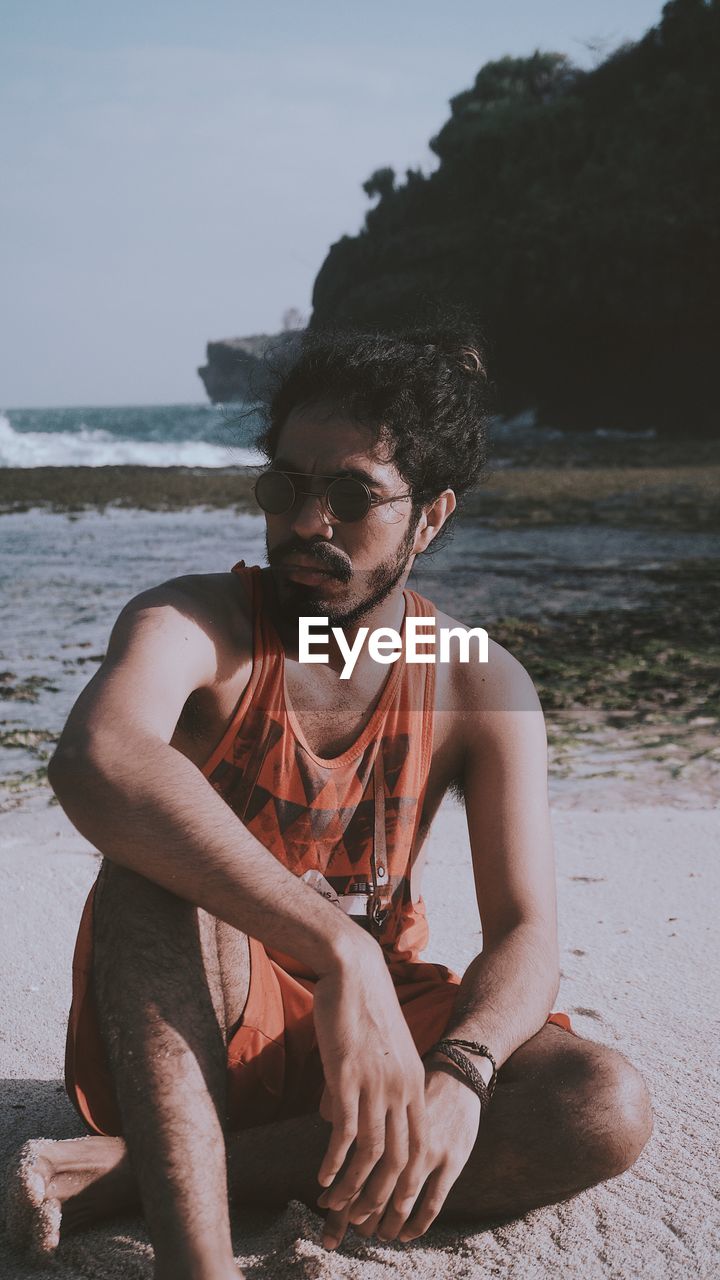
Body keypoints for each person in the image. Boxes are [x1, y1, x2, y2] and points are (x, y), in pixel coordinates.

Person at [6, 330, 653, 1279]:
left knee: (600, 1105)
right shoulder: (195, 623)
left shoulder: (479, 682)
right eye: (285, 486)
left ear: (429, 519)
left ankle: (133, 1177)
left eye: (349, 495)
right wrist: (340, 948)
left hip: (373, 1039)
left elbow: (526, 929)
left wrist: (462, 1078)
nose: (309, 520)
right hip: (186, 1030)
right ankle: (199, 1260)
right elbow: (99, 755)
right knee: (153, 875)